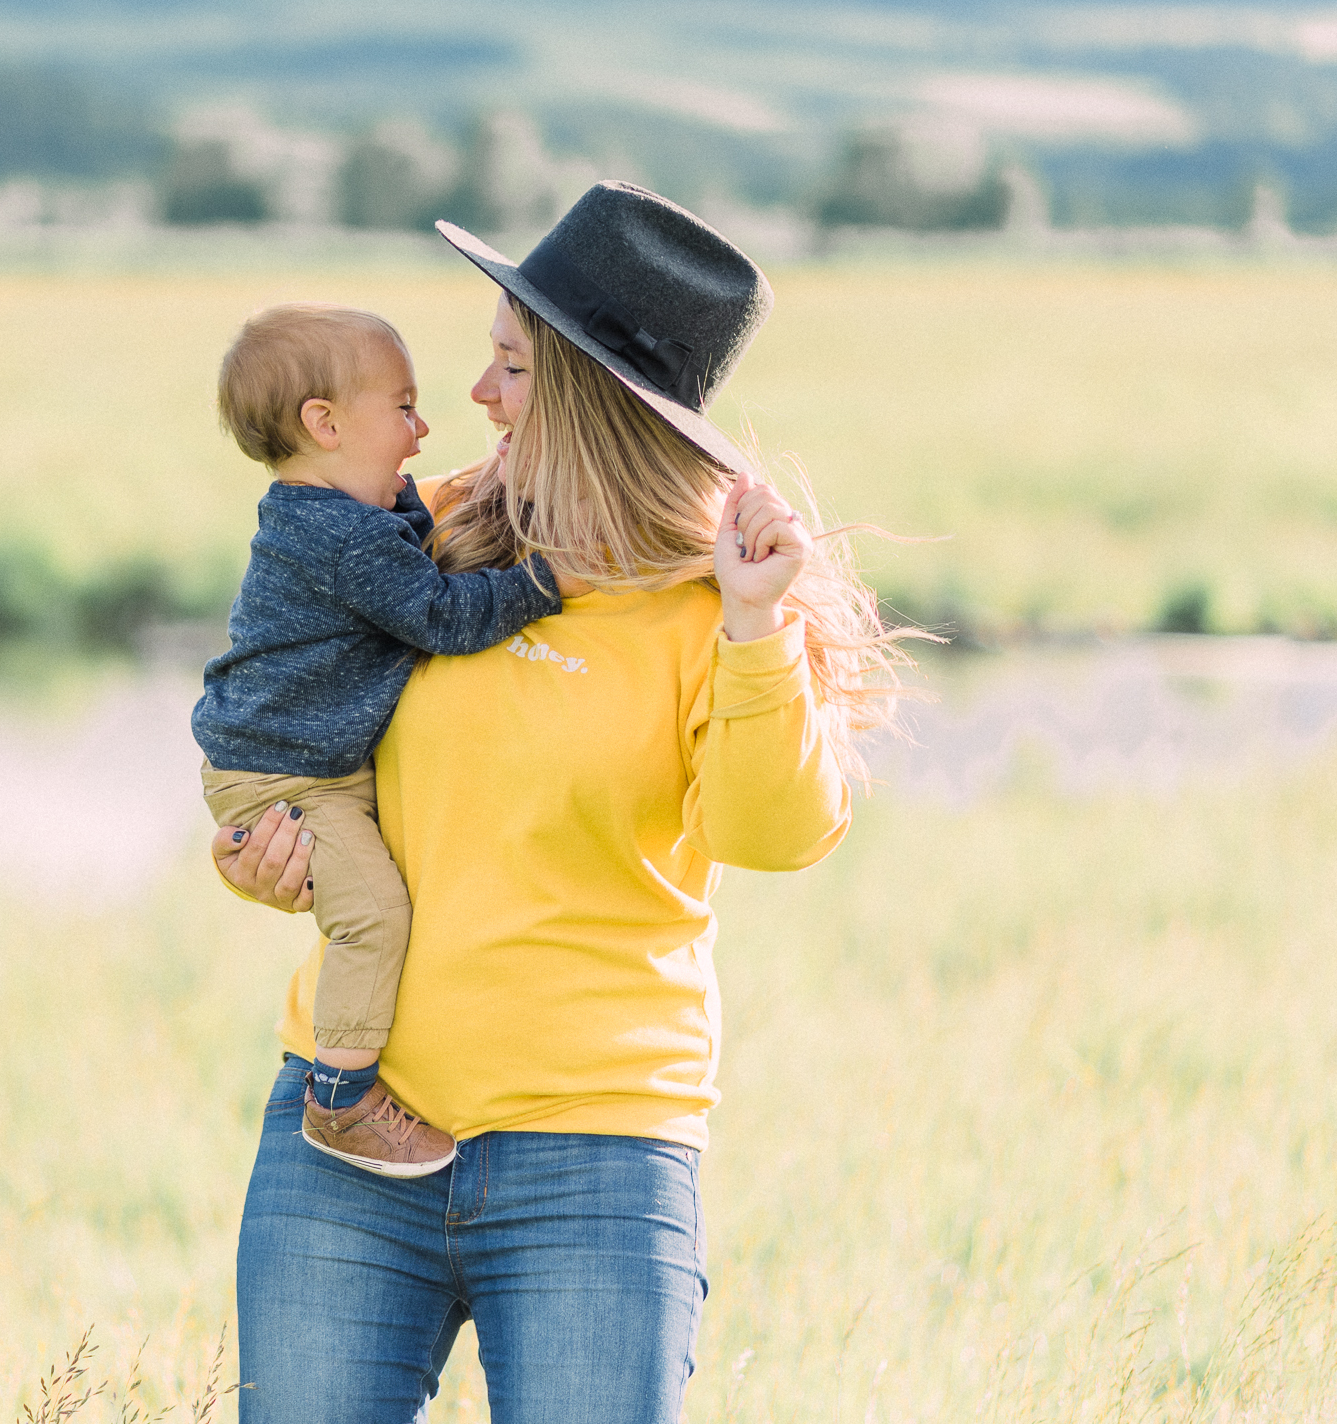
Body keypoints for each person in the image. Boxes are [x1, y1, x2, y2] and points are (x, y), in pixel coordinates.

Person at [211, 182, 917, 1422]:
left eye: (510, 366)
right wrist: (252, 856)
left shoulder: (715, 605)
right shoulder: (413, 539)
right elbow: (288, 722)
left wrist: (755, 628)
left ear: (590, 398)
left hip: (595, 1156)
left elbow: (772, 833)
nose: (475, 395)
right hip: (350, 1139)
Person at [194, 302, 561, 1176]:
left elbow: (416, 536)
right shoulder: (345, 537)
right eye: (403, 408)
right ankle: (343, 1098)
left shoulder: (342, 511)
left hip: (295, 766)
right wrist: (545, 581)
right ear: (323, 424)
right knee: (372, 916)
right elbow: (439, 612)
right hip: (291, 781)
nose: (425, 428)